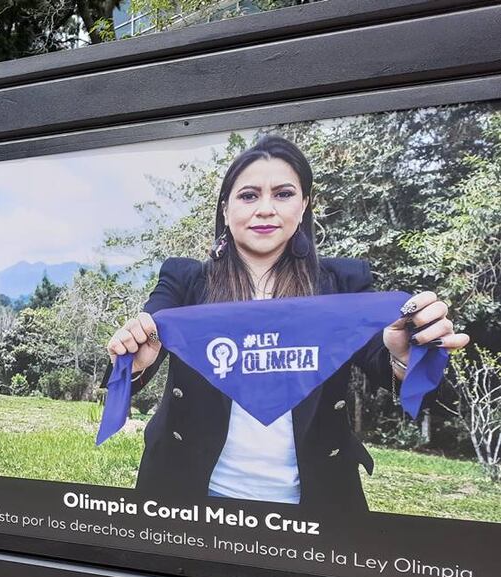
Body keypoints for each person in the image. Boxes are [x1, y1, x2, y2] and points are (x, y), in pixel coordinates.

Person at [107, 135, 470, 512]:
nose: (265, 209)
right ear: (226, 208)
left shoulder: (342, 283)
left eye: (283, 194)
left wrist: (405, 358)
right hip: (186, 497)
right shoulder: (183, 279)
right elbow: (136, 344)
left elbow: (405, 380)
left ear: (304, 205)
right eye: (249, 196)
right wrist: (133, 361)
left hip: (314, 508)